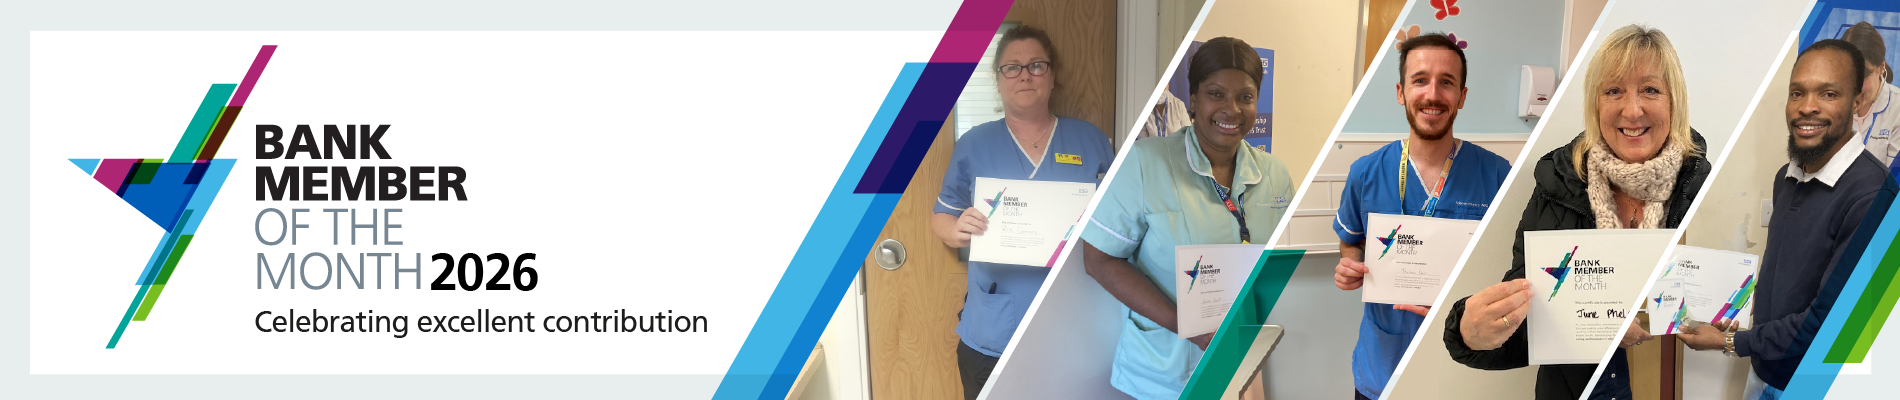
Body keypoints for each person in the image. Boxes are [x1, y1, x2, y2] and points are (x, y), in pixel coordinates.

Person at [1440, 25, 1712, 400]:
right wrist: (1469, 332)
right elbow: (1528, 326)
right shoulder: (1557, 187)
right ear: (1594, 103)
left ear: (1674, 101)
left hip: (1674, 382)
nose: (1632, 110)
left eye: (1650, 89)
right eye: (1613, 90)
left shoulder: (1701, 186)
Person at [1677, 39, 1899, 400]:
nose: (1806, 107)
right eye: (1797, 93)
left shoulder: (1873, 195)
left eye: (1828, 94)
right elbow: (1786, 279)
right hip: (1764, 372)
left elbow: (1830, 321)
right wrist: (1744, 326)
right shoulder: (1787, 177)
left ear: (1858, 101)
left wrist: (1733, 341)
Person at [1079, 36, 1294, 399]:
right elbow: (1098, 259)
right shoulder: (1145, 163)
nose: (1232, 109)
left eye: (1245, 97)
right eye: (1216, 94)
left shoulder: (1275, 174)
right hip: (1163, 370)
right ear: (1193, 100)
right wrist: (1187, 326)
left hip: (1241, 359)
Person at [929, 25, 1115, 400]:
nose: (1025, 74)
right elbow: (941, 218)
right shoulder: (974, 144)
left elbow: (1117, 219)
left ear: (1052, 76)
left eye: (1036, 65)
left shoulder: (1090, 140)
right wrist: (958, 229)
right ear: (998, 81)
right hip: (994, 329)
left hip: (1076, 325)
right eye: (1011, 67)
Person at [1330, 32, 1512, 400]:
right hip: (1383, 368)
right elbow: (1349, 243)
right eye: (1420, 80)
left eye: (1447, 83)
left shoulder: (1497, 175)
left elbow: (1508, 267)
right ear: (1401, 93)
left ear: (1461, 97)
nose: (1432, 94)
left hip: (1461, 368)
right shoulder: (1364, 173)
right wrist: (1349, 268)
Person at [1840, 22, 1900, 168]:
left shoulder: (1897, 108)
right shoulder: (1833, 103)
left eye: (1864, 75)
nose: (1855, 87)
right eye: (1848, 75)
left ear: (1881, 67)